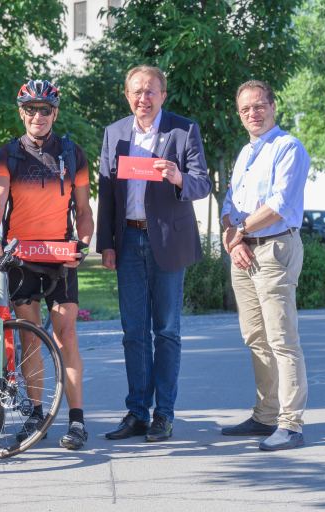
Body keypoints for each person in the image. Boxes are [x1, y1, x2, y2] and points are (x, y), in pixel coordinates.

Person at [96, 65, 211, 443]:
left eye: (150, 92)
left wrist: (179, 177)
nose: (142, 98)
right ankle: (137, 413)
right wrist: (106, 244)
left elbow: (202, 183)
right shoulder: (115, 133)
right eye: (136, 92)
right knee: (133, 332)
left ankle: (164, 414)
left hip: (167, 243)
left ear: (163, 95)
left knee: (166, 330)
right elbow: (108, 193)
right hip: (128, 241)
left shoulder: (183, 129)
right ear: (126, 95)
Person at [0, 79, 94, 450]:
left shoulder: (72, 153)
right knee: (30, 337)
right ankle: (36, 413)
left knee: (66, 336)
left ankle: (76, 420)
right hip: (21, 258)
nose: (37, 116)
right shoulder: (8, 154)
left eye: (44, 109)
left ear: (55, 113)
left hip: (60, 258)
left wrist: (83, 242)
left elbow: (83, 210)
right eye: (30, 109)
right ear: (21, 113)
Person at [220, 80, 310, 451]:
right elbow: (229, 202)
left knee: (281, 339)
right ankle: (266, 414)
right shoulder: (245, 153)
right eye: (245, 109)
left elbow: (277, 204)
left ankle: (291, 423)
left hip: (274, 249)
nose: (252, 114)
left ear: (273, 106)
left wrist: (238, 231)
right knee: (255, 338)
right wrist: (233, 238)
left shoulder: (288, 147)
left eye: (259, 106)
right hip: (244, 251)